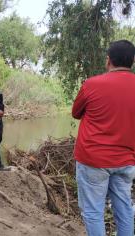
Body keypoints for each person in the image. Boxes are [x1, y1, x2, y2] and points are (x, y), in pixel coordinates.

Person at [72, 40, 135, 236]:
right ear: (132, 61)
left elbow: (76, 112)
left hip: (93, 160)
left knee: (93, 212)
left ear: (108, 61)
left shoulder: (91, 84)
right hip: (126, 160)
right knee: (124, 211)